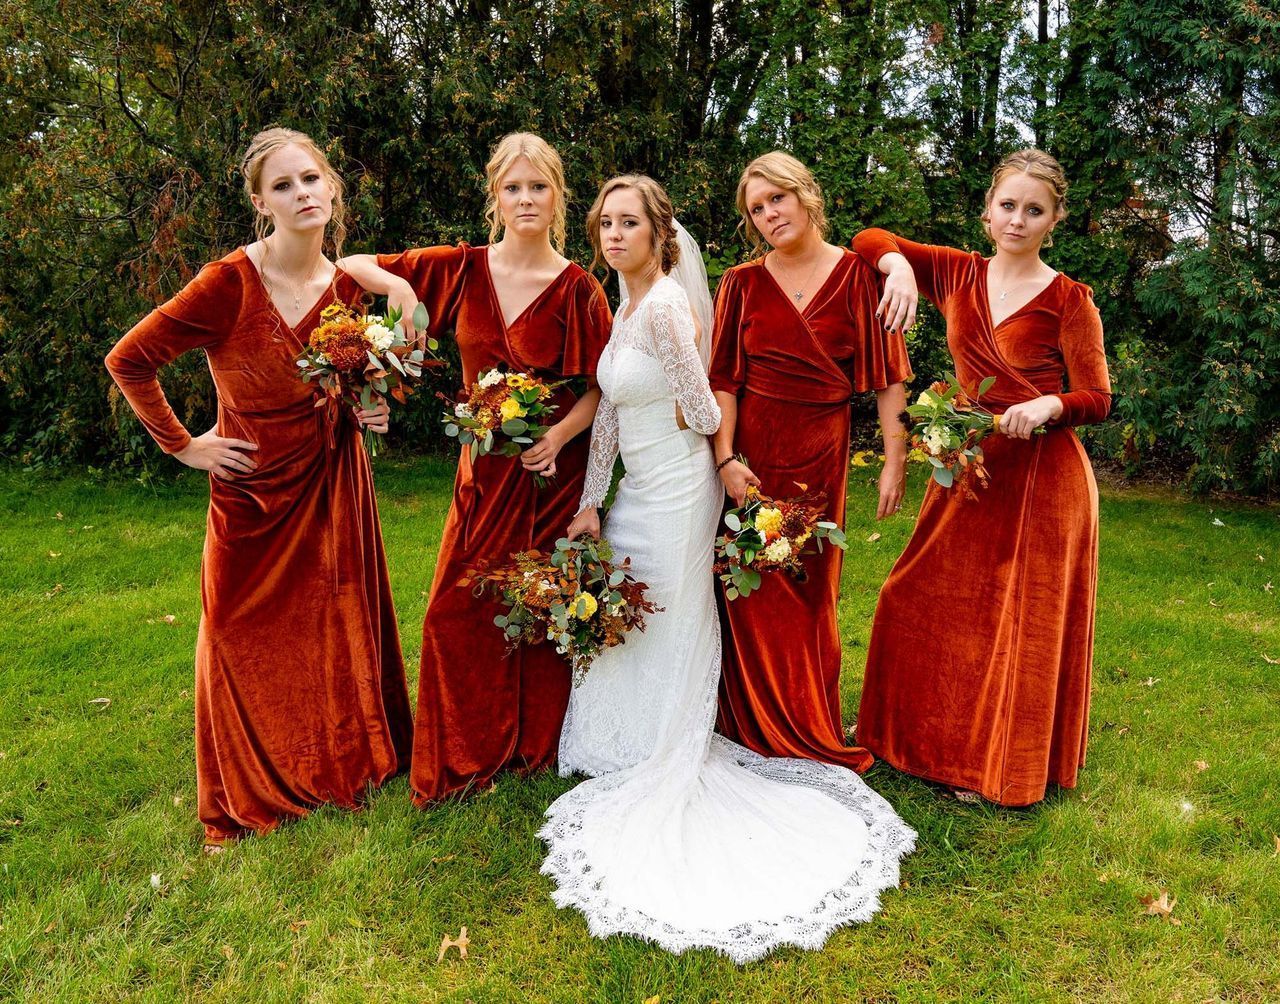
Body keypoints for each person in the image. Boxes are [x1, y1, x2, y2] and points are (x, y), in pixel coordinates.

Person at [539, 175, 915, 964]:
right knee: (633, 606)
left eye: (628, 223)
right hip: (640, 484)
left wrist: (698, 424)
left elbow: (707, 408)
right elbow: (609, 413)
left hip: (681, 486)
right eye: (605, 224)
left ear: (658, 234)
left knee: (672, 611)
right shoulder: (625, 309)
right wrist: (592, 499)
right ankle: (623, 744)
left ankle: (666, 745)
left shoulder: (667, 309)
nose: (614, 235)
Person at [105, 127, 413, 849]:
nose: (302, 194)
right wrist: (185, 445)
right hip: (251, 491)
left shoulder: (348, 287)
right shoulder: (228, 282)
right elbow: (130, 359)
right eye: (283, 185)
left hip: (333, 480)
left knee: (332, 625)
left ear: (331, 187)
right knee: (238, 634)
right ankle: (251, 778)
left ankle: (339, 761)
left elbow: (358, 381)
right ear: (260, 203)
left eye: (311, 179)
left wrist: (372, 408)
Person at [337, 133, 612, 804]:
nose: (526, 199)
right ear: (495, 197)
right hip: (482, 473)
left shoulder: (579, 289)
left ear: (558, 197)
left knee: (540, 605)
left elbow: (602, 389)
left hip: (550, 472)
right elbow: (346, 264)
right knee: (455, 612)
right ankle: (463, 746)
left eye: (538, 187)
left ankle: (535, 745)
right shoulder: (460, 268)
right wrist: (398, 286)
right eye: (513, 188)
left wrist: (558, 437)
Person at [854, 148, 1112, 806]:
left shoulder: (1070, 300)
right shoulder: (955, 272)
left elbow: (1097, 397)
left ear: (1054, 220)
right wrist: (897, 267)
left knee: (1015, 620)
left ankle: (997, 765)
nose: (1018, 220)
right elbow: (868, 238)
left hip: (1043, 479)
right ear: (987, 212)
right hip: (969, 464)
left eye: (1034, 210)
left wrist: (1050, 405)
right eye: (1008, 205)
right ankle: (912, 739)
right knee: (917, 596)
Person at [709, 151, 912, 770]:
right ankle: (746, 720)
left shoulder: (858, 277)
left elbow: (889, 380)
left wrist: (894, 461)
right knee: (748, 586)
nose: (770, 214)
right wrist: (725, 459)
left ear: (805, 196)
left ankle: (807, 719)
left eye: (778, 199)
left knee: (810, 588)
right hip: (752, 458)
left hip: (821, 455)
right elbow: (723, 381)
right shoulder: (740, 283)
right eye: (757, 208)